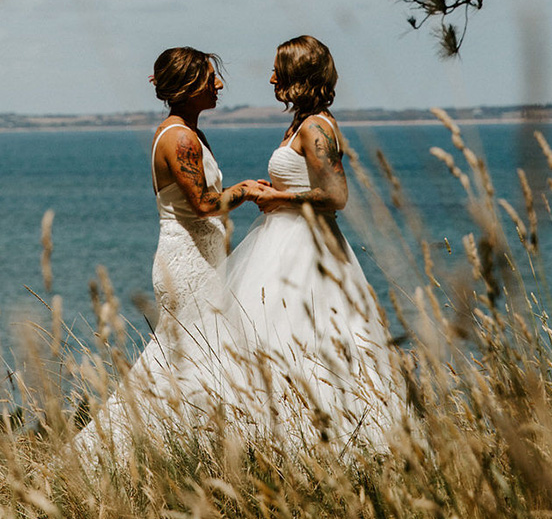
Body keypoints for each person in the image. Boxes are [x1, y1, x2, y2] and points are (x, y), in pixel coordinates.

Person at [74, 47, 268, 454]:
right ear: (187, 86)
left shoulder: (188, 133)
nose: (218, 84)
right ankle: (122, 447)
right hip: (187, 265)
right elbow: (203, 204)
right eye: (209, 78)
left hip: (201, 260)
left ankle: (187, 446)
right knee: (187, 360)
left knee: (195, 360)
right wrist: (245, 191)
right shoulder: (181, 138)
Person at [222, 35, 403, 445]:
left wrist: (277, 196)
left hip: (308, 247)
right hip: (282, 241)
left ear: (299, 76)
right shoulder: (301, 124)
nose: (270, 78)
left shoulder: (317, 127)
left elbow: (337, 195)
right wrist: (278, 191)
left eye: (278, 71)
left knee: (307, 336)